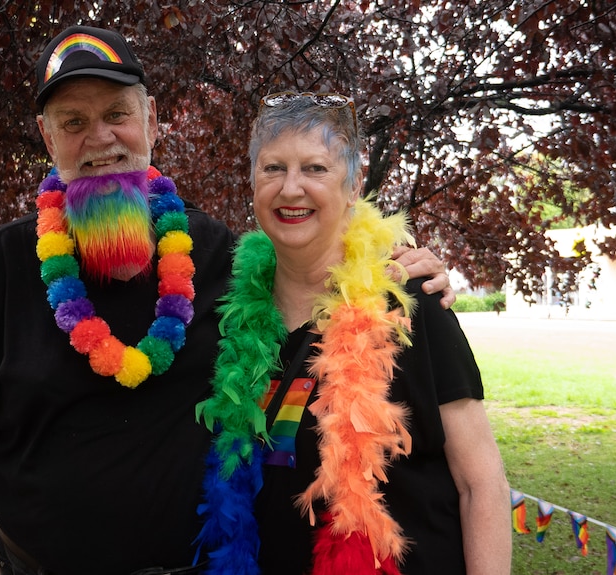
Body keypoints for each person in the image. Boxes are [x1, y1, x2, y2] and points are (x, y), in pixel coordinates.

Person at [0, 26, 455, 575]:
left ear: (151, 122)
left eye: (117, 113)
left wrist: (394, 264)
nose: (100, 138)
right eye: (73, 122)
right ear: (48, 140)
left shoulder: (227, 261)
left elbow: (316, 257)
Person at [195, 92, 512, 574]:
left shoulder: (410, 304)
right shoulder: (228, 315)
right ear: (253, 180)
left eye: (316, 168)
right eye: (273, 167)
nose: (291, 188)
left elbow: (480, 482)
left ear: (353, 183)